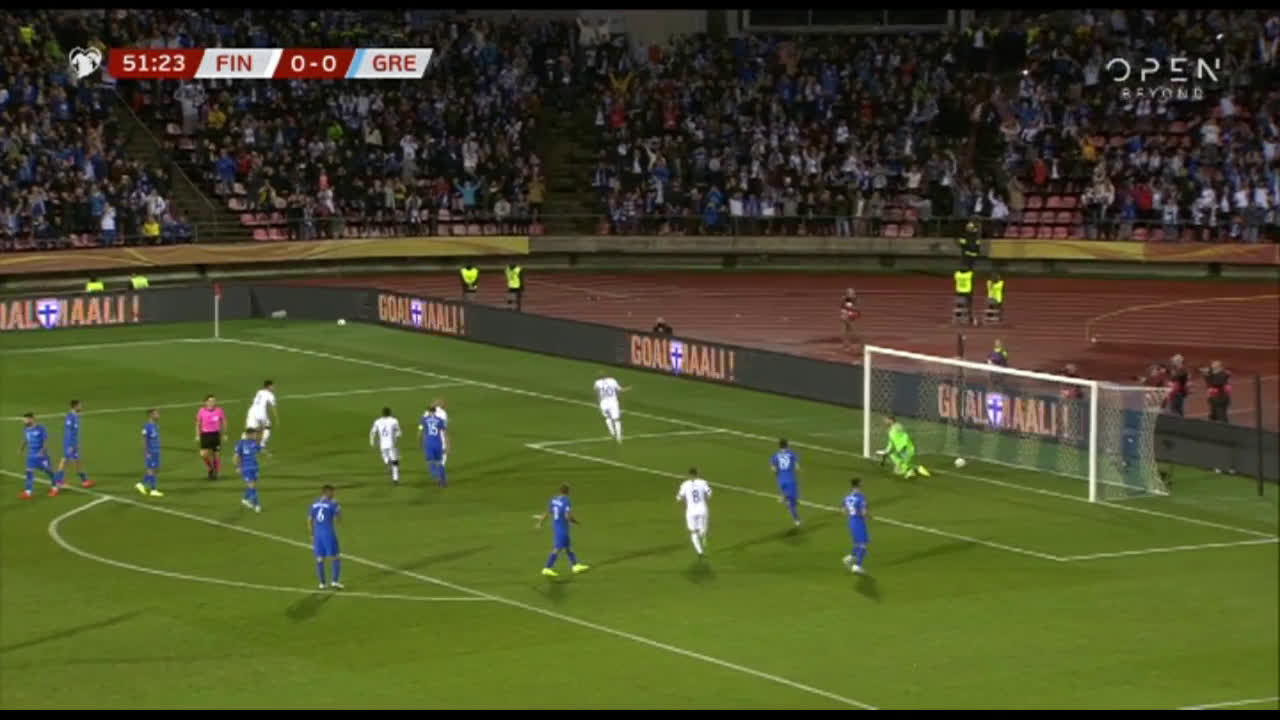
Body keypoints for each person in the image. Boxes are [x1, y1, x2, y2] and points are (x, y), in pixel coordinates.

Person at [535, 483, 589, 577]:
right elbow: (567, 516)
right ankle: (547, 568)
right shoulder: (566, 501)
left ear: (560, 491)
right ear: (568, 491)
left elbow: (548, 512)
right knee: (558, 548)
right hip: (562, 528)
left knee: (568, 546)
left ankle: (575, 565)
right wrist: (576, 522)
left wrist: (540, 523)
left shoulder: (554, 499)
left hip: (556, 526)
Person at [308, 485, 343, 590]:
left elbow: (309, 520)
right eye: (332, 492)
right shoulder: (333, 504)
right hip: (328, 533)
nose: (334, 494)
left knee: (320, 558)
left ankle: (322, 583)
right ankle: (335, 582)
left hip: (318, 534)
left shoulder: (314, 503)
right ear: (328, 493)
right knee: (335, 557)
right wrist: (338, 509)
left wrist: (311, 534)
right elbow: (339, 520)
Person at [19, 413, 59, 499]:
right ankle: (28, 492)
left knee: (49, 471)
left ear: (31, 419)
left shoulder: (41, 428)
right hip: (31, 455)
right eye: (24, 420)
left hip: (42, 456)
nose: (24, 421)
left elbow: (45, 441)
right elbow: (26, 439)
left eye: (25, 419)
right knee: (29, 472)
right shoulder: (26, 429)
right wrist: (21, 448)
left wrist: (42, 451)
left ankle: (55, 488)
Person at [57, 400, 94, 489]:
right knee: (65, 460)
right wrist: (72, 444)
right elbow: (69, 431)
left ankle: (84, 481)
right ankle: (58, 481)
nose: (81, 407)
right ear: (75, 406)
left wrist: (76, 443)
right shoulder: (71, 416)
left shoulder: (75, 416)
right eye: (80, 405)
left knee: (77, 461)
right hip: (70, 443)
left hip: (73, 442)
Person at [676, 468, 712, 557]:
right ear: (697, 474)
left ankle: (700, 552)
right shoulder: (702, 482)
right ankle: (703, 534)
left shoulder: (684, 484)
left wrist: (685, 501)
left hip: (691, 511)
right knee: (701, 528)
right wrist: (704, 498)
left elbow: (678, 498)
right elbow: (709, 493)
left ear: (688, 475)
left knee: (693, 532)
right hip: (702, 509)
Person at [842, 478, 870, 574]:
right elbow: (864, 512)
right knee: (863, 544)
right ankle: (857, 566)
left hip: (851, 521)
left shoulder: (847, 497)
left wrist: (852, 513)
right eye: (861, 483)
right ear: (859, 485)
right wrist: (868, 516)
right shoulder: (861, 497)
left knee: (858, 543)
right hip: (859, 522)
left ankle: (849, 558)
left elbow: (844, 511)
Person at [770, 439, 801, 527]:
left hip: (781, 480)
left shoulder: (775, 455)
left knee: (791, 499)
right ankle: (796, 519)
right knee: (793, 502)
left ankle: (785, 496)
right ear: (787, 445)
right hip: (791, 480)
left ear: (779, 446)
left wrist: (779, 474)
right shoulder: (792, 454)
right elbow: (797, 467)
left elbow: (773, 469)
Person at [195, 394, 227, 480]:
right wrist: (197, 435)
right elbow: (198, 424)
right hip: (205, 435)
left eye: (213, 401)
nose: (212, 402)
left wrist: (224, 434)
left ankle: (217, 472)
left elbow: (224, 421)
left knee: (216, 454)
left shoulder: (219, 410)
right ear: (206, 402)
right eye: (210, 401)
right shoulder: (201, 411)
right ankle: (210, 468)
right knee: (203, 454)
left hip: (215, 434)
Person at [593, 371, 628, 444]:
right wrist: (627, 389)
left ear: (599, 377)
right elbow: (620, 390)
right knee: (616, 420)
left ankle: (612, 432)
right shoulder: (612, 381)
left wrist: (598, 403)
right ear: (607, 375)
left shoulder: (597, 382)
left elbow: (597, 392)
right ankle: (619, 437)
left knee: (607, 417)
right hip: (613, 402)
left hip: (604, 403)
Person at [370, 406, 402, 485]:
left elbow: (372, 432)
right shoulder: (394, 421)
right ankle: (395, 479)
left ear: (382, 413)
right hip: (391, 444)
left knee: (387, 460)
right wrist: (396, 435)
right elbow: (399, 433)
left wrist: (372, 441)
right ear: (390, 413)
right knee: (395, 461)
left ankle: (389, 464)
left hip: (382, 445)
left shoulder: (377, 421)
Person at [136, 408, 164, 498]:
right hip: (151, 452)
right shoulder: (146, 427)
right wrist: (146, 452)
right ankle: (153, 490)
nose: (158, 415)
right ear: (151, 415)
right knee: (151, 470)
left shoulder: (156, 425)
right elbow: (143, 440)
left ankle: (141, 484)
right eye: (156, 414)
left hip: (156, 451)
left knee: (156, 470)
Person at [418, 405, 449, 487]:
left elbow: (420, 432)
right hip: (438, 443)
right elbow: (445, 434)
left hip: (429, 443)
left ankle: (438, 477)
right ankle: (444, 481)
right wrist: (447, 445)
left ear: (429, 411)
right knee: (440, 463)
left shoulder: (424, 420)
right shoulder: (440, 420)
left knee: (431, 462)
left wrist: (420, 443)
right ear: (435, 411)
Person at [244, 380, 278, 452]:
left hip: (252, 411)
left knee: (251, 430)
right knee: (264, 429)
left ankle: (246, 446)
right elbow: (273, 407)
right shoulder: (270, 395)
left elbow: (256, 401)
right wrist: (276, 417)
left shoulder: (259, 391)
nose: (273, 388)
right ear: (269, 386)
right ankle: (259, 446)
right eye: (272, 386)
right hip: (261, 412)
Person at [235, 427, 263, 512]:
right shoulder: (241, 444)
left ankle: (245, 499)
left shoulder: (254, 443)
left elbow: (260, 449)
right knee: (252, 486)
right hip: (247, 468)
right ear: (249, 435)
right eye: (254, 434)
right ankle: (256, 504)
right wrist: (238, 467)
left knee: (252, 485)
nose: (255, 436)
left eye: (255, 434)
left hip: (255, 467)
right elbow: (236, 456)